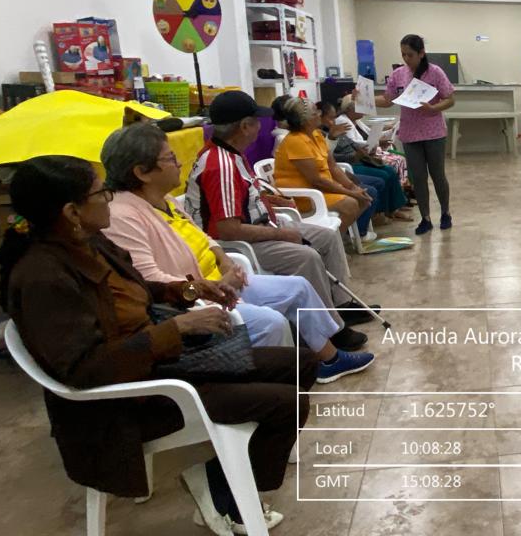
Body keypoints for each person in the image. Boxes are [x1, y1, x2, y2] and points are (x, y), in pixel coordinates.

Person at [0, 155, 308, 534]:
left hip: (157, 363)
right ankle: (226, 495)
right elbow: (86, 369)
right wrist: (177, 327)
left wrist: (191, 289)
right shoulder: (43, 277)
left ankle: (217, 476)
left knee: (300, 363)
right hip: (126, 403)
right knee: (286, 402)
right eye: (101, 193)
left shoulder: (89, 243)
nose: (109, 199)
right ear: (71, 211)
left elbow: (137, 291)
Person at [101, 123, 374, 381]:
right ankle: (277, 382)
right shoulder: (122, 216)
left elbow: (204, 236)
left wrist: (225, 262)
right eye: (170, 158)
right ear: (142, 172)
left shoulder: (165, 199)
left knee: (298, 287)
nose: (179, 163)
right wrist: (210, 288)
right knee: (270, 322)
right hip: (192, 300)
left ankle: (329, 359)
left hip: (219, 281)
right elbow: (150, 281)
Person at [184, 91, 377, 339]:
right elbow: (228, 229)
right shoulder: (220, 165)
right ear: (244, 127)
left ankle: (339, 305)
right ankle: (328, 332)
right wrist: (283, 234)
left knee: (327, 237)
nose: (260, 126)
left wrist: (272, 201)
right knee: (305, 256)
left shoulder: (233, 153)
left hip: (262, 224)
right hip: (238, 241)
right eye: (256, 122)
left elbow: (245, 197)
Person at [374, 34, 455, 235]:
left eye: (410, 54)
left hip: (434, 132)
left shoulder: (435, 72)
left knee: (438, 175)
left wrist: (433, 108)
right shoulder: (398, 75)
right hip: (410, 133)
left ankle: (445, 213)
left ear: (421, 53)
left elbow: (450, 99)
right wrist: (365, 98)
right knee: (418, 178)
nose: (406, 58)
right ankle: (425, 218)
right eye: (403, 54)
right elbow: (387, 100)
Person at [272, 97, 376, 237]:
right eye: (316, 112)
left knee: (364, 200)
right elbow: (316, 180)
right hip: (303, 196)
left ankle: (337, 239)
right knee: (351, 203)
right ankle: (329, 243)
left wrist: (353, 187)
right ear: (306, 120)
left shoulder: (316, 135)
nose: (319, 114)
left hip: (321, 190)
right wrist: (350, 193)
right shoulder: (296, 141)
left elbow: (333, 167)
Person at [318, 99, 412, 221]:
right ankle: (379, 212)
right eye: (330, 118)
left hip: (358, 158)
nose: (333, 121)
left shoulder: (336, 128)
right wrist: (354, 155)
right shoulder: (324, 134)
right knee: (383, 175)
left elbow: (352, 143)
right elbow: (332, 158)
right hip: (349, 163)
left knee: (389, 170)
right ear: (320, 118)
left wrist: (367, 148)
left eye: (334, 117)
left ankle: (394, 208)